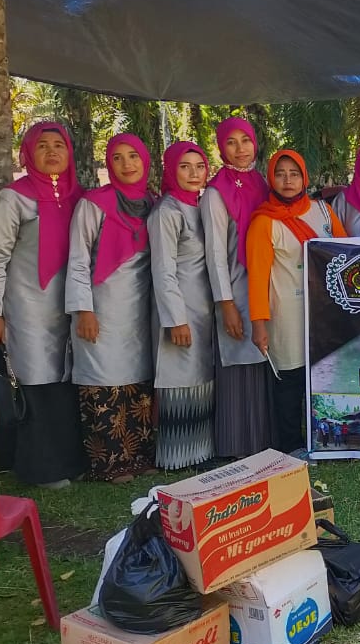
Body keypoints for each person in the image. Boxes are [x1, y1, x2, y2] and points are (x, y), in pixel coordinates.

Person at [0, 122, 86, 487]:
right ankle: (43, 468)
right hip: (28, 306)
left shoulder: (78, 197)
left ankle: (71, 460)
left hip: (70, 305)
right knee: (37, 380)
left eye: (60, 145)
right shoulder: (14, 198)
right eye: (43, 146)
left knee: (67, 379)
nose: (52, 152)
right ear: (28, 153)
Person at [66, 133, 156, 483]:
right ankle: (110, 463)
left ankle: (140, 457)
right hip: (101, 306)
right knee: (104, 379)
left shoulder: (153, 203)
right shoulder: (94, 203)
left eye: (133, 155)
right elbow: (77, 259)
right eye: (117, 158)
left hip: (140, 308)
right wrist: (82, 310)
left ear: (145, 161)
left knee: (137, 381)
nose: (126, 164)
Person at [248, 150, 347, 455]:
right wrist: (259, 324)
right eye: (280, 173)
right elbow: (258, 278)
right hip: (286, 313)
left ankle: (325, 441)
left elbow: (344, 253)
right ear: (271, 178)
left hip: (323, 310)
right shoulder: (264, 222)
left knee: (323, 373)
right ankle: (291, 446)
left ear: (304, 177)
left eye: (294, 173)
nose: (287, 180)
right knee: (290, 380)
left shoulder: (323, 212)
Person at [203, 116, 276, 461]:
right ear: (220, 148)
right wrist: (225, 303)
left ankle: (264, 440)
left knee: (263, 361)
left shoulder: (263, 184)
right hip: (233, 287)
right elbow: (215, 254)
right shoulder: (216, 193)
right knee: (237, 363)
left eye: (245, 141)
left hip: (264, 288)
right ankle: (236, 443)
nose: (240, 149)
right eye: (231, 142)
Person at [149, 142, 215, 470]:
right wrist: (175, 319)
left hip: (203, 309)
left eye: (199, 166)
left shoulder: (200, 206)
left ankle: (198, 453)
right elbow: (163, 270)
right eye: (184, 167)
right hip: (180, 309)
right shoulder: (167, 211)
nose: (193, 173)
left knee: (199, 378)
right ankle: (177, 457)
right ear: (172, 171)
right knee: (180, 379)